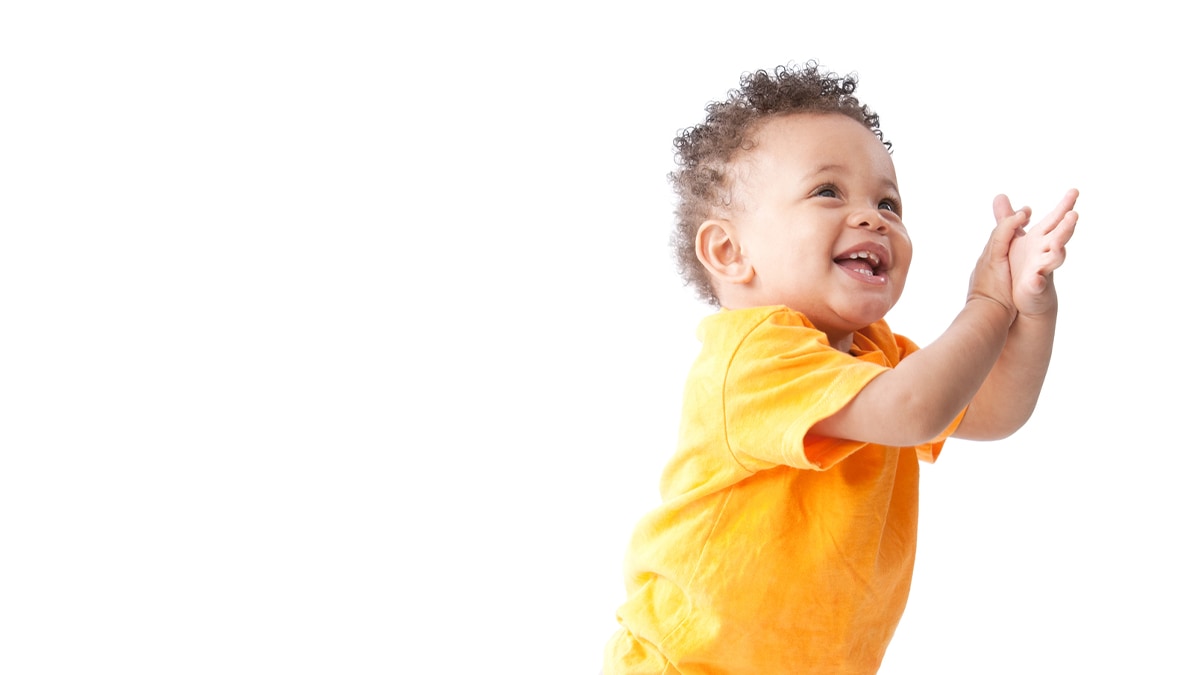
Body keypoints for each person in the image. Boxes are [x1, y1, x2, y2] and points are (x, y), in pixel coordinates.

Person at [602, 62, 1079, 674]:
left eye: (888, 201)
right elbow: (916, 409)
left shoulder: (875, 353)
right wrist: (986, 305)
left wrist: (1029, 309)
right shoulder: (753, 356)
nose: (873, 216)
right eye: (828, 192)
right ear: (729, 251)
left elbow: (994, 410)